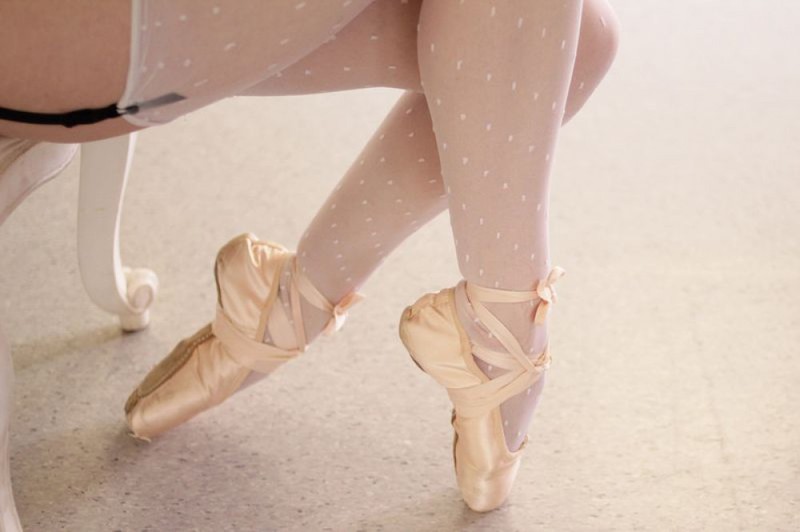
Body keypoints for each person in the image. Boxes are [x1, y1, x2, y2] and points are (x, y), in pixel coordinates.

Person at [0, 0, 619, 514]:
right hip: (57, 36)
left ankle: (291, 304)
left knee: (572, 42)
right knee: (535, 35)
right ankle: (502, 330)